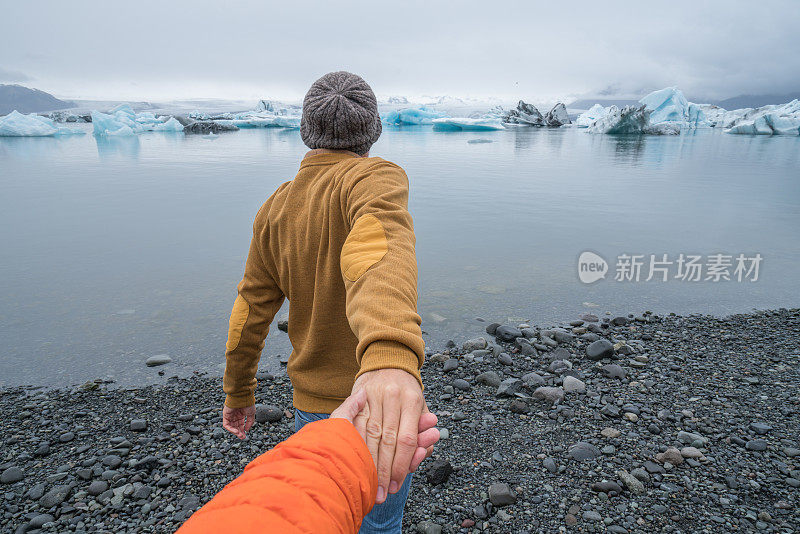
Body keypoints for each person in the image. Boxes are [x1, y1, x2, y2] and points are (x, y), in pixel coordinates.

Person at [220, 71, 434, 532]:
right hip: (375, 399)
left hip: (312, 404)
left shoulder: (274, 209)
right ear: (373, 131)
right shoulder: (374, 177)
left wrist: (238, 392)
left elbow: (250, 313)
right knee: (378, 524)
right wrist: (389, 357)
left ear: (305, 132)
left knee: (319, 516)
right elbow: (378, 250)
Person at [180, 390, 440, 534]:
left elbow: (252, 306)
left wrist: (238, 389)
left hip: (316, 395)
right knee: (382, 521)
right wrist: (394, 365)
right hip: (385, 399)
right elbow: (383, 293)